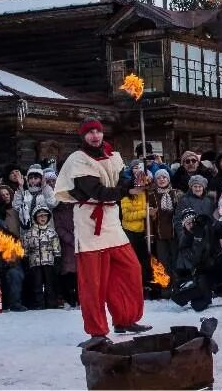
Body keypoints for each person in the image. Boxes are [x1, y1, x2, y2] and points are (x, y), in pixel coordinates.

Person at [54, 117, 150, 348]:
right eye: (89, 133)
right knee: (93, 282)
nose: (95, 136)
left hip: (111, 221)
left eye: (97, 131)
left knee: (130, 269)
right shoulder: (78, 161)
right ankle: (97, 331)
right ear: (83, 136)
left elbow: (121, 179)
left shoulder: (111, 155)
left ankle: (124, 318)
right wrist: (127, 190)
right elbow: (97, 191)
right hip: (89, 222)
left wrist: (137, 179)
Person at [171, 207, 222, 310]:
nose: (192, 225)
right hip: (202, 275)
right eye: (188, 224)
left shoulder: (208, 229)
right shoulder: (185, 241)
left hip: (217, 267)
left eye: (193, 222)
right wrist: (197, 239)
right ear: (184, 226)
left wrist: (216, 224)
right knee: (198, 306)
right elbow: (194, 260)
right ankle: (207, 294)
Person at [119, 161, 152, 290]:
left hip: (143, 231)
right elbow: (127, 216)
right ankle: (131, 285)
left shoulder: (145, 194)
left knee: (144, 260)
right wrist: (146, 213)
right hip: (130, 231)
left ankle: (145, 284)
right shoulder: (126, 197)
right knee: (132, 260)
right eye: (137, 186)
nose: (139, 188)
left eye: (142, 185)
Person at [22, 206, 61, 309]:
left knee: (50, 283)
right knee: (37, 284)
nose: (43, 218)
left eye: (45, 216)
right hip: (35, 263)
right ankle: (38, 304)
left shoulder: (52, 232)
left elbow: (56, 247)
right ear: (35, 218)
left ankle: (51, 303)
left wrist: (57, 259)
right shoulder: (29, 233)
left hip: (49, 262)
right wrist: (25, 259)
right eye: (40, 216)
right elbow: (25, 248)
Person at [52, 199, 78, 308]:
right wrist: (71, 239)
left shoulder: (76, 207)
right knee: (67, 272)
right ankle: (68, 298)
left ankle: (78, 298)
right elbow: (58, 227)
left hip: (80, 241)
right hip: (65, 244)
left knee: (79, 273)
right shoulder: (57, 210)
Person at [16, 164, 57, 228]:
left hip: (45, 230)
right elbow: (17, 206)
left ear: (41, 179)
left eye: (36, 178)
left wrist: (45, 187)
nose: (33, 180)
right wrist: (20, 186)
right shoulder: (25, 193)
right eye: (30, 178)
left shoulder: (47, 190)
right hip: (28, 231)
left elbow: (52, 203)